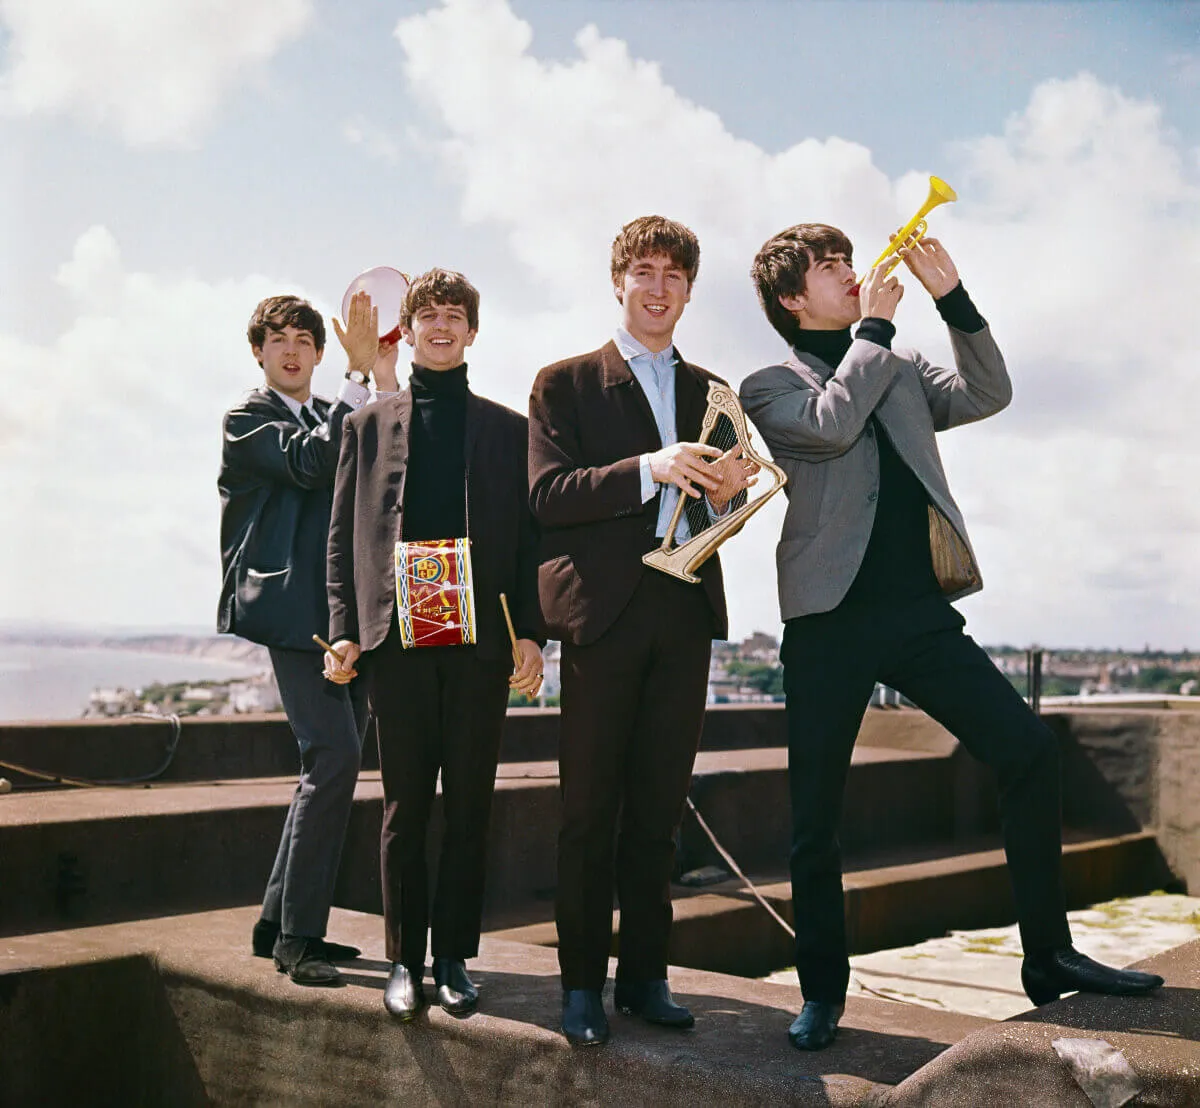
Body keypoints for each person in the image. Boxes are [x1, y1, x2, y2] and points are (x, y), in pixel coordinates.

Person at [740, 224, 1164, 1051]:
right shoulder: (768, 385)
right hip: (827, 621)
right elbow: (829, 426)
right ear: (793, 299)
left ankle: (1049, 958)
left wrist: (953, 301)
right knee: (813, 818)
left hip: (917, 613)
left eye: (847, 261)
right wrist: (874, 330)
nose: (854, 274)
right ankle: (822, 991)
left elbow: (986, 393)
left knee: (1028, 750)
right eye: (832, 269)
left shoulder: (894, 363)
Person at [528, 215, 758, 1046]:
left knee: (659, 810)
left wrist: (730, 494)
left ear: (690, 290)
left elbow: (723, 506)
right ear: (618, 280)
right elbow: (547, 496)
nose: (658, 287)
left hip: (684, 612)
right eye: (645, 271)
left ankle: (646, 979)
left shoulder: (712, 389)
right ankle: (581, 985)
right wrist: (646, 470)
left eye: (674, 275)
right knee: (588, 813)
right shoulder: (563, 384)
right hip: (604, 618)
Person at [324, 268, 544, 1021]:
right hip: (397, 641)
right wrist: (346, 628)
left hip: (479, 642)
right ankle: (403, 962)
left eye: (455, 316)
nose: (442, 327)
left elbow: (529, 542)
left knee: (471, 807)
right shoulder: (366, 424)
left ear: (473, 332)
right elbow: (340, 538)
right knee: (404, 808)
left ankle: (453, 961)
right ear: (407, 330)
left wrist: (533, 637)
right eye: (429, 316)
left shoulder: (510, 430)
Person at [218, 291, 397, 985]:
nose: (291, 349)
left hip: (343, 615)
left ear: (317, 353)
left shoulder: (336, 411)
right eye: (277, 339)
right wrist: (355, 380)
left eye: (303, 339)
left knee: (326, 765)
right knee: (333, 757)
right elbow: (308, 463)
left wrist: (381, 374)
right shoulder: (246, 419)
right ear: (259, 351)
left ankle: (273, 924)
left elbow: (389, 454)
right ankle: (299, 939)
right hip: (293, 613)